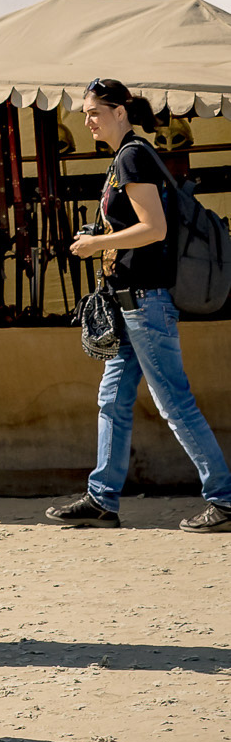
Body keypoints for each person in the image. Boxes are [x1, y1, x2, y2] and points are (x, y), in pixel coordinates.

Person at [49, 79, 231, 532]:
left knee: (174, 403)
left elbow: (155, 228)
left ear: (120, 112)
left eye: (94, 112)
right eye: (85, 114)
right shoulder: (128, 156)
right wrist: (102, 238)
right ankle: (101, 498)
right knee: (112, 400)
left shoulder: (132, 156)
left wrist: (96, 244)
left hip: (146, 302)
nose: (88, 121)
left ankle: (225, 498)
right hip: (132, 302)